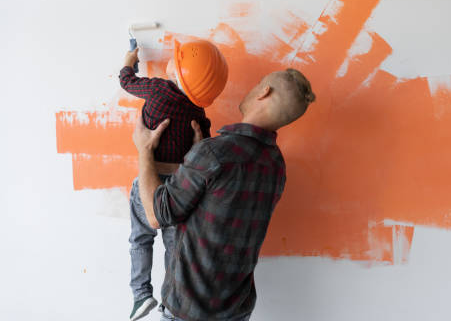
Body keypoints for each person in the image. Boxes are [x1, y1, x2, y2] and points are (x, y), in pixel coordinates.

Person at [132, 69, 316, 321]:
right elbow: (221, 206)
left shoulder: (214, 154)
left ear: (265, 91)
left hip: (188, 311)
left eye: (258, 81)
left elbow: (156, 216)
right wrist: (195, 160)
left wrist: (144, 149)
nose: (253, 88)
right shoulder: (276, 166)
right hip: (236, 311)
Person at [121, 39, 228, 321]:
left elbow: (126, 81)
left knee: (140, 239)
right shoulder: (198, 112)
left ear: (177, 69)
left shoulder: (157, 89)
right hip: (179, 188)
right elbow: (204, 144)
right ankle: (170, 298)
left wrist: (129, 60)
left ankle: (142, 294)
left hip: (149, 178)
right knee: (174, 246)